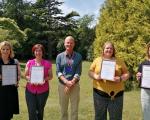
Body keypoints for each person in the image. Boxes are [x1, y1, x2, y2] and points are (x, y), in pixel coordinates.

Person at [88, 41, 129, 120]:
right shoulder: (97, 60)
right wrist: (96, 76)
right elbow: (90, 72)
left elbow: (127, 73)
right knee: (99, 117)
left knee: (116, 117)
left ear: (113, 50)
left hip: (117, 95)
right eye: (107, 48)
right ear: (103, 50)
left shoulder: (119, 61)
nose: (109, 50)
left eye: (111, 48)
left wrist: (120, 78)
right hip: (99, 94)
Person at [56, 36, 82, 120]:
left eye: (71, 42)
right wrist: (66, 82)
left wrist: (71, 83)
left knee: (74, 109)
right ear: (64, 44)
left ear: (74, 44)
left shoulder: (78, 56)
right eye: (67, 42)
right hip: (62, 86)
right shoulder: (59, 56)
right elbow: (58, 72)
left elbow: (78, 72)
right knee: (63, 110)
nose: (69, 44)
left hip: (75, 85)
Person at [24, 44, 53, 120]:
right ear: (34, 52)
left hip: (43, 91)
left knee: (40, 110)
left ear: (42, 52)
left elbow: (51, 76)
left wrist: (44, 79)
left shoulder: (47, 63)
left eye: (40, 51)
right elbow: (26, 75)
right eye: (36, 51)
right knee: (31, 110)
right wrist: (30, 79)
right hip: (30, 90)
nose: (38, 52)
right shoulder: (29, 62)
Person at [0, 41, 21, 120]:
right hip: (0, 91)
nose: (5, 51)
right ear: (0, 50)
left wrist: (17, 80)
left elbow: (19, 75)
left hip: (11, 91)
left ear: (10, 50)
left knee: (8, 115)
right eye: (3, 49)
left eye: (7, 49)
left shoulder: (15, 61)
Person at [136, 43, 150, 120]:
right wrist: (138, 77)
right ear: (148, 51)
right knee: (146, 113)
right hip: (145, 92)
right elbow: (138, 77)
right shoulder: (143, 63)